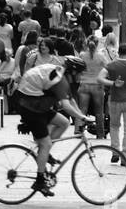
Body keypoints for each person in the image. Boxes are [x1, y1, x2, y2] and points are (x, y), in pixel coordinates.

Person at [13, 56, 93, 192]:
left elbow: (71, 100)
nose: (81, 76)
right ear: (73, 72)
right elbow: (66, 106)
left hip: (36, 101)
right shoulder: (60, 81)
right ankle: (39, 181)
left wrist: (83, 116)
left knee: (64, 122)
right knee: (46, 143)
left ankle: (45, 153)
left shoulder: (63, 77)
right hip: (29, 105)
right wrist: (81, 117)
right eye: (80, 73)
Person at [74, 35, 108, 138]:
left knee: (82, 110)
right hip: (98, 86)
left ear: (87, 43)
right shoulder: (101, 56)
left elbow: (77, 68)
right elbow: (108, 69)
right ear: (97, 44)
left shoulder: (82, 55)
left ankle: (78, 131)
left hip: (84, 84)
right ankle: (100, 133)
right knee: (99, 111)